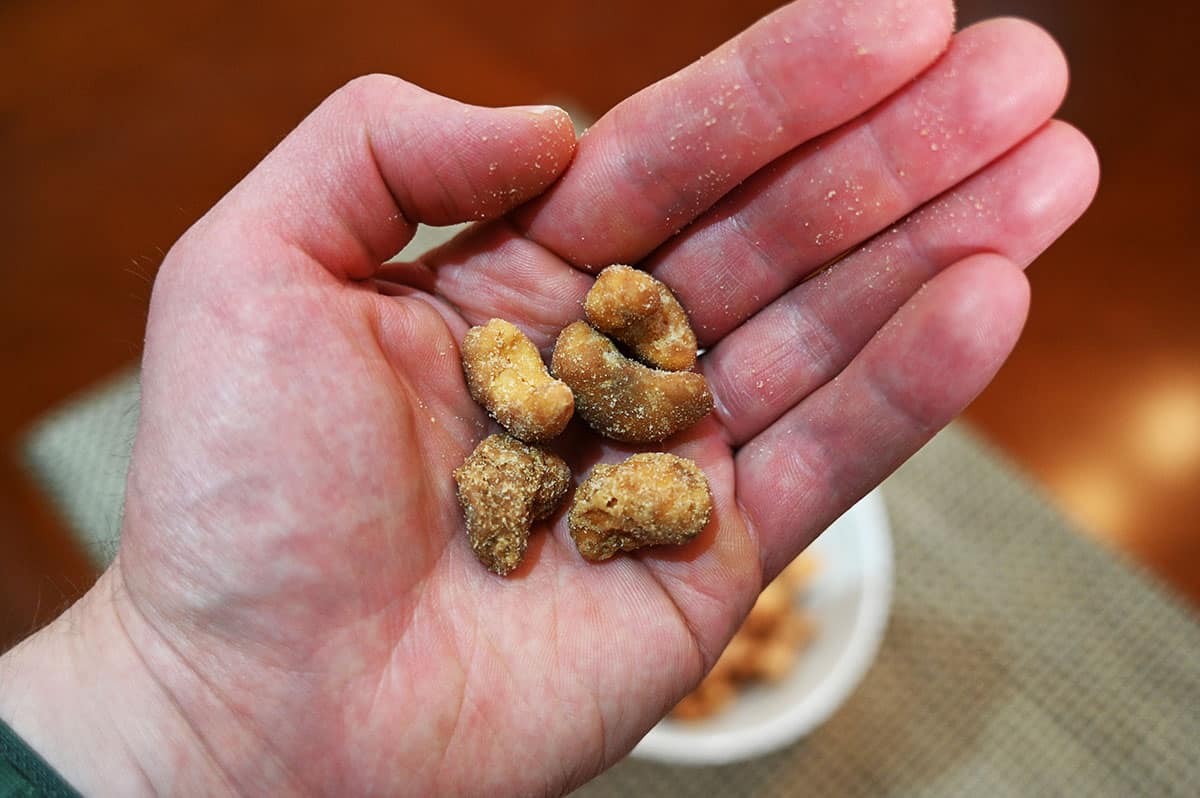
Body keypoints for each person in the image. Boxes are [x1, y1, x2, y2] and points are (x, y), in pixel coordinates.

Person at [0, 0, 1097, 794]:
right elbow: (549, 410)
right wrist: (184, 698)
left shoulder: (602, 392)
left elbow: (592, 397)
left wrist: (173, 719)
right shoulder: (549, 409)